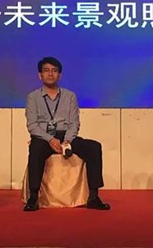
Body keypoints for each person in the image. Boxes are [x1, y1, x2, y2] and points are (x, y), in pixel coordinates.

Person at [23, 56, 110, 211]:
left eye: (54, 71)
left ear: (60, 75)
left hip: (66, 135)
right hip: (44, 137)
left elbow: (74, 123)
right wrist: (50, 140)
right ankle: (34, 197)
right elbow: (32, 125)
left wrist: (67, 141)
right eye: (46, 70)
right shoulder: (33, 97)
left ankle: (93, 196)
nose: (50, 74)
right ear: (40, 75)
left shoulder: (70, 96)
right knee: (35, 149)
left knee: (94, 147)